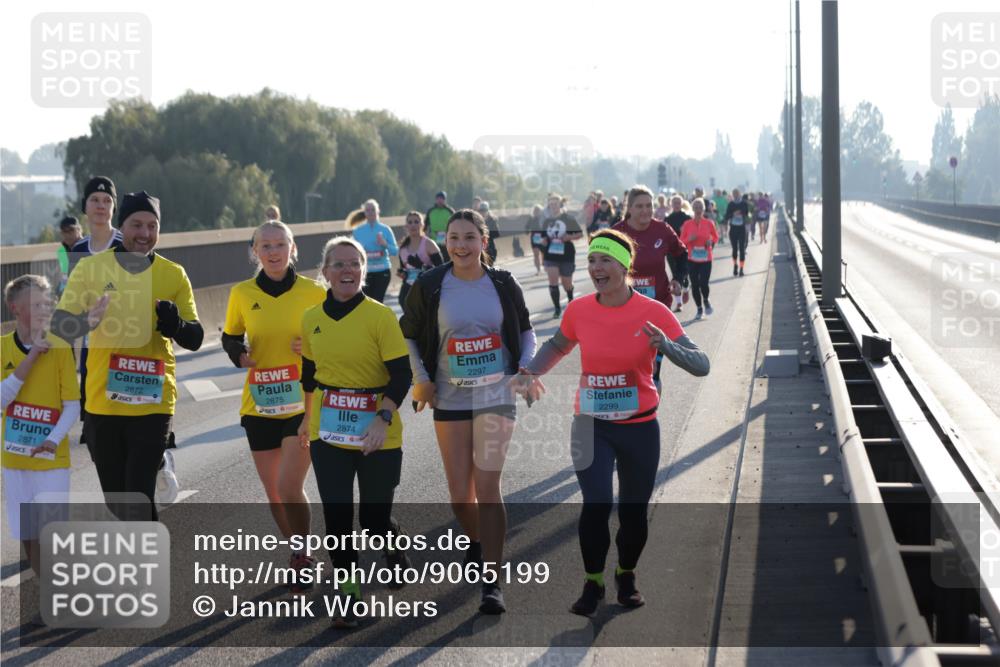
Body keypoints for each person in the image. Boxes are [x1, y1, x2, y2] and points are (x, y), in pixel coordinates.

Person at [512, 229, 709, 617]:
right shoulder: (580, 309)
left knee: (633, 512)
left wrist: (664, 347)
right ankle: (593, 582)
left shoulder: (654, 313)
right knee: (596, 503)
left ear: (625, 266)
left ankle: (626, 573)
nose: (596, 268)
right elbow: (557, 345)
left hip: (639, 426)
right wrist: (529, 372)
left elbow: (701, 365)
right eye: (592, 261)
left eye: (605, 261)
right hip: (591, 424)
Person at [399, 209, 535, 615]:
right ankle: (477, 542)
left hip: (497, 394)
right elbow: (407, 334)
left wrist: (525, 367)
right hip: (450, 397)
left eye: (470, 237)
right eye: (454, 238)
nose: (461, 245)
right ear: (444, 241)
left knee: (487, 487)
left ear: (484, 241)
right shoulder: (429, 285)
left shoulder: (503, 283)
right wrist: (421, 378)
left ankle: (492, 581)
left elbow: (526, 331)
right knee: (461, 497)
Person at [51, 191, 204, 521]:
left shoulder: (172, 274)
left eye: (152, 226)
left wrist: (174, 323)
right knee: (118, 500)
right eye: (137, 225)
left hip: (153, 403)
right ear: (122, 226)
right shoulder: (91, 270)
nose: (145, 234)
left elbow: (196, 337)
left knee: (136, 493)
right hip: (102, 404)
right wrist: (84, 321)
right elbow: (59, 326)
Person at [298, 237, 413, 628]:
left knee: (373, 521)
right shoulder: (310, 318)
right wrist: (305, 418)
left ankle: (394, 543)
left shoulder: (381, 317)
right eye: (339, 264)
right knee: (337, 518)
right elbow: (310, 377)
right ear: (325, 272)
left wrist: (382, 417)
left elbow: (401, 375)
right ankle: (348, 593)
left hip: (376, 430)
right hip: (328, 432)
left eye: (355, 264)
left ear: (364, 270)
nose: (347, 271)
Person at [221, 220, 326, 591]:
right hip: (259, 403)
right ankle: (298, 553)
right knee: (274, 491)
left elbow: (334, 334)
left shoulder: (315, 292)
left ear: (293, 248)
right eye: (265, 245)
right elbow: (230, 335)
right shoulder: (241, 292)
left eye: (280, 244)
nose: (273, 251)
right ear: (254, 251)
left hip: (302, 402)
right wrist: (239, 354)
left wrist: (314, 343)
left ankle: (304, 552)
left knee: (289, 484)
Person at [1, 275, 80, 580]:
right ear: (15, 308)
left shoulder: (60, 346)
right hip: (15, 459)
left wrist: (52, 439)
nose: (45, 308)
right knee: (28, 534)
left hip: (51, 458)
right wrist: (31, 358)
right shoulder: (2, 347)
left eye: (47, 302)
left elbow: (72, 404)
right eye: (36, 304)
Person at [612, 185, 688, 393]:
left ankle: (649, 415)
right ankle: (630, 414)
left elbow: (681, 254)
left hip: (658, 306)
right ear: (630, 208)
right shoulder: (617, 232)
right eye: (639, 206)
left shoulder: (662, 230)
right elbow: (600, 266)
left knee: (653, 369)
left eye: (649, 205)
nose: (645, 210)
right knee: (629, 368)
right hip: (624, 308)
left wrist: (678, 279)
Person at [539, 193, 583, 318]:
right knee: (553, 281)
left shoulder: (568, 218)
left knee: (566, 283)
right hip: (550, 255)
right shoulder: (547, 221)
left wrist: (569, 237)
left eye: (555, 204)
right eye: (551, 204)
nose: (553, 206)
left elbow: (580, 234)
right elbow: (543, 237)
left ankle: (570, 299)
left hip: (566, 254)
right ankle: (557, 309)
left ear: (560, 204)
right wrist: (544, 240)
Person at [349, 199, 399, 304]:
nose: (371, 212)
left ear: (378, 211)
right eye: (368, 210)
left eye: (373, 210)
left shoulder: (385, 229)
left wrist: (385, 244)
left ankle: (378, 321)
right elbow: (352, 253)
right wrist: (360, 251)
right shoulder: (358, 231)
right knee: (366, 303)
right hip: (365, 272)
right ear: (365, 212)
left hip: (383, 271)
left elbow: (395, 251)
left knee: (377, 301)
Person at [679, 198, 719, 319]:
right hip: (692, 259)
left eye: (699, 207)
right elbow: (681, 241)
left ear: (703, 209)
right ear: (692, 209)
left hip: (706, 258)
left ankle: (706, 300)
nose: (697, 210)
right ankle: (699, 309)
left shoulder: (709, 223)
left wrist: (710, 242)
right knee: (695, 284)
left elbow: (716, 237)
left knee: (704, 283)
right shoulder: (687, 224)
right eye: (695, 207)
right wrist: (689, 240)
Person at [397, 211, 444, 307]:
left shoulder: (429, 244)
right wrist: (402, 273)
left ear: (422, 225)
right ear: (406, 226)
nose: (413, 225)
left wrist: (421, 265)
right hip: (408, 291)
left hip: (425, 289)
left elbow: (441, 270)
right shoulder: (402, 248)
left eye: (416, 221)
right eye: (410, 222)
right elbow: (404, 270)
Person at [663, 195, 692, 312]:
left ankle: (685, 288)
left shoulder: (687, 218)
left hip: (684, 250)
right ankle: (679, 303)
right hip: (671, 250)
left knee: (684, 273)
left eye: (678, 202)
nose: (676, 204)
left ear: (681, 204)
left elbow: (692, 233)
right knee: (675, 274)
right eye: (674, 202)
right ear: (671, 204)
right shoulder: (667, 219)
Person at [724, 188, 750, 277]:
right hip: (733, 229)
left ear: (739, 194)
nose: (735, 195)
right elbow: (726, 216)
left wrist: (741, 212)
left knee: (742, 249)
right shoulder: (731, 204)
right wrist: (733, 214)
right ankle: (735, 265)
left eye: (737, 194)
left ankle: (741, 269)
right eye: (734, 194)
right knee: (735, 249)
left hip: (741, 228)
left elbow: (747, 213)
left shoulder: (744, 203)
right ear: (732, 195)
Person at [56, 216, 83, 297]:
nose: (68, 234)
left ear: (79, 230)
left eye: (71, 230)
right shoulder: (62, 251)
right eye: (64, 231)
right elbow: (64, 275)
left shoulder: (88, 247)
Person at [425, 191, 455, 256]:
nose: (440, 200)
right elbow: (425, 226)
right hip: (433, 241)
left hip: (446, 242)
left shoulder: (450, 211)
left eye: (442, 198)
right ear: (436, 200)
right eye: (438, 198)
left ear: (445, 200)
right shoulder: (431, 211)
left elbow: (455, 226)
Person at [525, 205, 545, 275]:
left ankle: (544, 264)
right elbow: (526, 227)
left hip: (543, 236)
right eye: (535, 210)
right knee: (536, 254)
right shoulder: (531, 218)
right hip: (535, 237)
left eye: (538, 210)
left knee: (544, 252)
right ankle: (538, 270)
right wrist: (527, 231)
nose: (536, 212)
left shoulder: (543, 218)